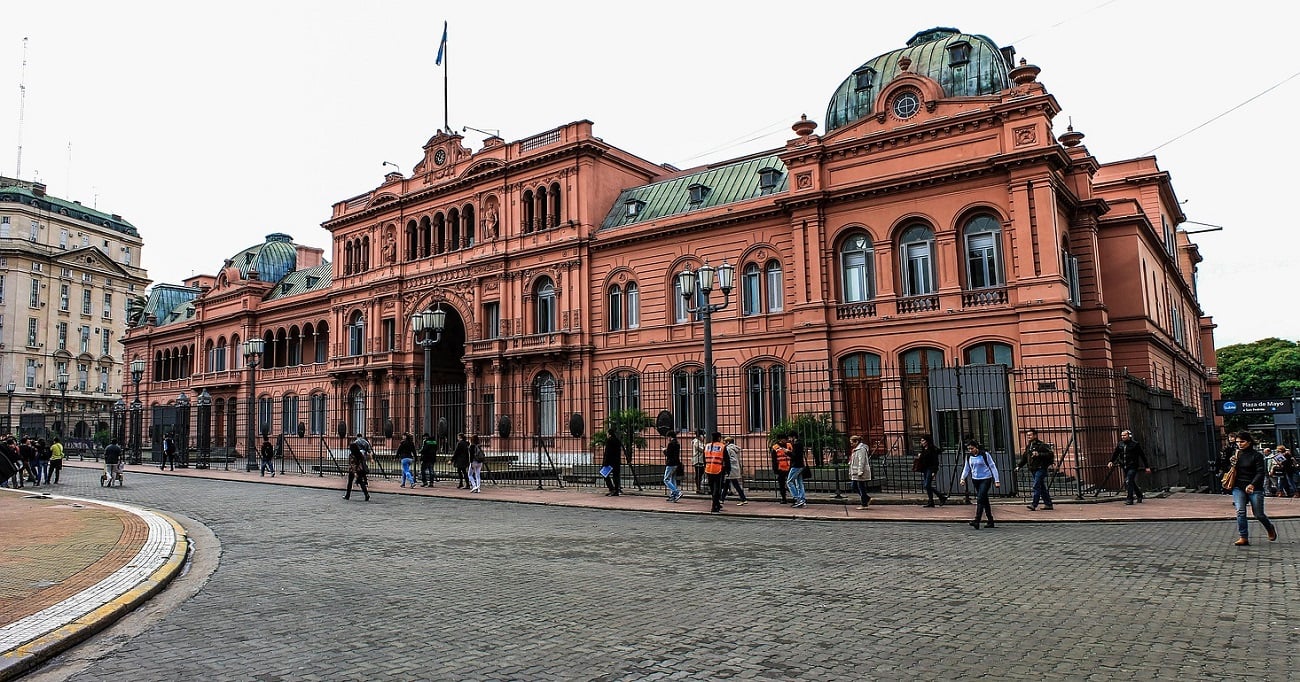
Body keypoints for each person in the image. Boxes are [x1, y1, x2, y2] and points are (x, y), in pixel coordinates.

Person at [1220, 431, 1277, 546]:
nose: (1239, 444)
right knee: (1240, 511)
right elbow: (1227, 469)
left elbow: (1260, 472)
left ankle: (1269, 527)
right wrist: (1230, 463)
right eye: (1237, 442)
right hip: (1238, 486)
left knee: (1258, 514)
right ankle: (1243, 536)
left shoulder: (1257, 455)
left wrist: (1252, 484)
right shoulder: (1236, 454)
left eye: (1242, 442)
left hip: (1254, 487)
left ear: (1249, 442)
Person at [959, 439, 1000, 529]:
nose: (970, 450)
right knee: (984, 500)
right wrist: (963, 478)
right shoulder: (969, 456)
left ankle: (977, 520)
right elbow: (967, 468)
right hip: (975, 479)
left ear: (976, 447)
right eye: (969, 449)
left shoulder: (984, 455)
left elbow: (992, 466)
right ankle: (990, 520)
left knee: (980, 498)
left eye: (972, 448)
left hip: (986, 478)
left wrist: (996, 480)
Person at [1108, 429, 1151, 505]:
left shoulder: (1135, 444)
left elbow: (1142, 456)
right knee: (1131, 481)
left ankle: (1130, 499)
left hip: (1133, 466)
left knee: (1129, 480)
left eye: (1124, 435)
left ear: (1129, 436)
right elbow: (1116, 453)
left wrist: (1147, 466)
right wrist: (1111, 461)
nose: (1123, 437)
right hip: (1124, 466)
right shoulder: (1120, 444)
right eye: (1122, 435)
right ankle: (1139, 495)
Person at [1021, 429, 1055, 511]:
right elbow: (1025, 457)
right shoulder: (1029, 446)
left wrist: (1039, 454)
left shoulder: (1041, 445)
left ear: (1035, 435)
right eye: (1027, 435)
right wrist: (1019, 466)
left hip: (1041, 468)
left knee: (1036, 485)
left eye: (1030, 435)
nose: (1028, 437)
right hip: (1033, 468)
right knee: (1041, 487)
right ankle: (1048, 504)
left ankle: (1034, 504)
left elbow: (1050, 454)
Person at [915, 434, 946, 507]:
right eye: (921, 441)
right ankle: (931, 501)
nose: (921, 442)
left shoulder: (932, 450)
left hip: (930, 469)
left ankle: (941, 496)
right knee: (927, 485)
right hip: (925, 469)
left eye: (923, 440)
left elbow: (935, 462)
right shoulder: (923, 449)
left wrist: (934, 471)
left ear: (927, 441)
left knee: (927, 485)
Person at [703, 432, 728, 513]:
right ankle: (714, 506)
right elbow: (726, 459)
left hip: (708, 469)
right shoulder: (722, 446)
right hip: (718, 470)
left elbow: (704, 458)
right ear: (719, 438)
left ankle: (716, 503)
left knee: (712, 488)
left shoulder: (707, 446)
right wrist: (728, 469)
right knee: (717, 489)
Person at [848, 435, 872, 510]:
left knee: (860, 487)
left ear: (857, 442)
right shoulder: (856, 449)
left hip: (859, 471)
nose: (851, 445)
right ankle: (866, 498)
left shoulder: (861, 449)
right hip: (855, 471)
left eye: (852, 443)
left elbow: (861, 461)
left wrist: (860, 471)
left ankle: (864, 503)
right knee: (855, 486)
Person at [723, 436, 748, 506]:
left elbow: (727, 459)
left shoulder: (728, 449)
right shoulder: (735, 448)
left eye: (725, 442)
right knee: (728, 484)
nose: (724, 443)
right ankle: (721, 499)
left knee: (734, 484)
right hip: (735, 468)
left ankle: (743, 499)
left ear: (728, 442)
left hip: (730, 468)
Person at [786, 438, 807, 508]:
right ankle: (802, 500)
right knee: (799, 483)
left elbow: (794, 456)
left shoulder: (796, 445)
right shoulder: (800, 444)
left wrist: (787, 452)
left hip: (796, 466)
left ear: (793, 437)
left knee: (789, 482)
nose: (789, 439)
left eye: (790, 437)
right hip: (800, 465)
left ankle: (797, 498)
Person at [770, 439, 791, 504]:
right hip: (781, 468)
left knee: (791, 483)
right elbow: (774, 459)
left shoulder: (789, 445)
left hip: (789, 467)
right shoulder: (775, 447)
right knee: (782, 484)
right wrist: (775, 469)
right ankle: (784, 498)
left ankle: (795, 497)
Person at [602, 430, 623, 496]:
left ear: (609, 434)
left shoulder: (609, 441)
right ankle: (616, 490)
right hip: (616, 461)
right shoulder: (617, 441)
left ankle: (611, 489)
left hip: (609, 462)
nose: (606, 435)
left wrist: (605, 462)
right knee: (615, 476)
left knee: (604, 474)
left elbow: (607, 452)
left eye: (607, 434)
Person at [662, 434, 682, 502]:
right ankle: (674, 495)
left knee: (666, 479)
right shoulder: (677, 443)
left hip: (670, 463)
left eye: (668, 437)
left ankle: (676, 492)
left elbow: (668, 454)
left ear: (670, 437)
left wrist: (664, 450)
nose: (667, 439)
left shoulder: (671, 444)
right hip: (676, 463)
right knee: (673, 479)